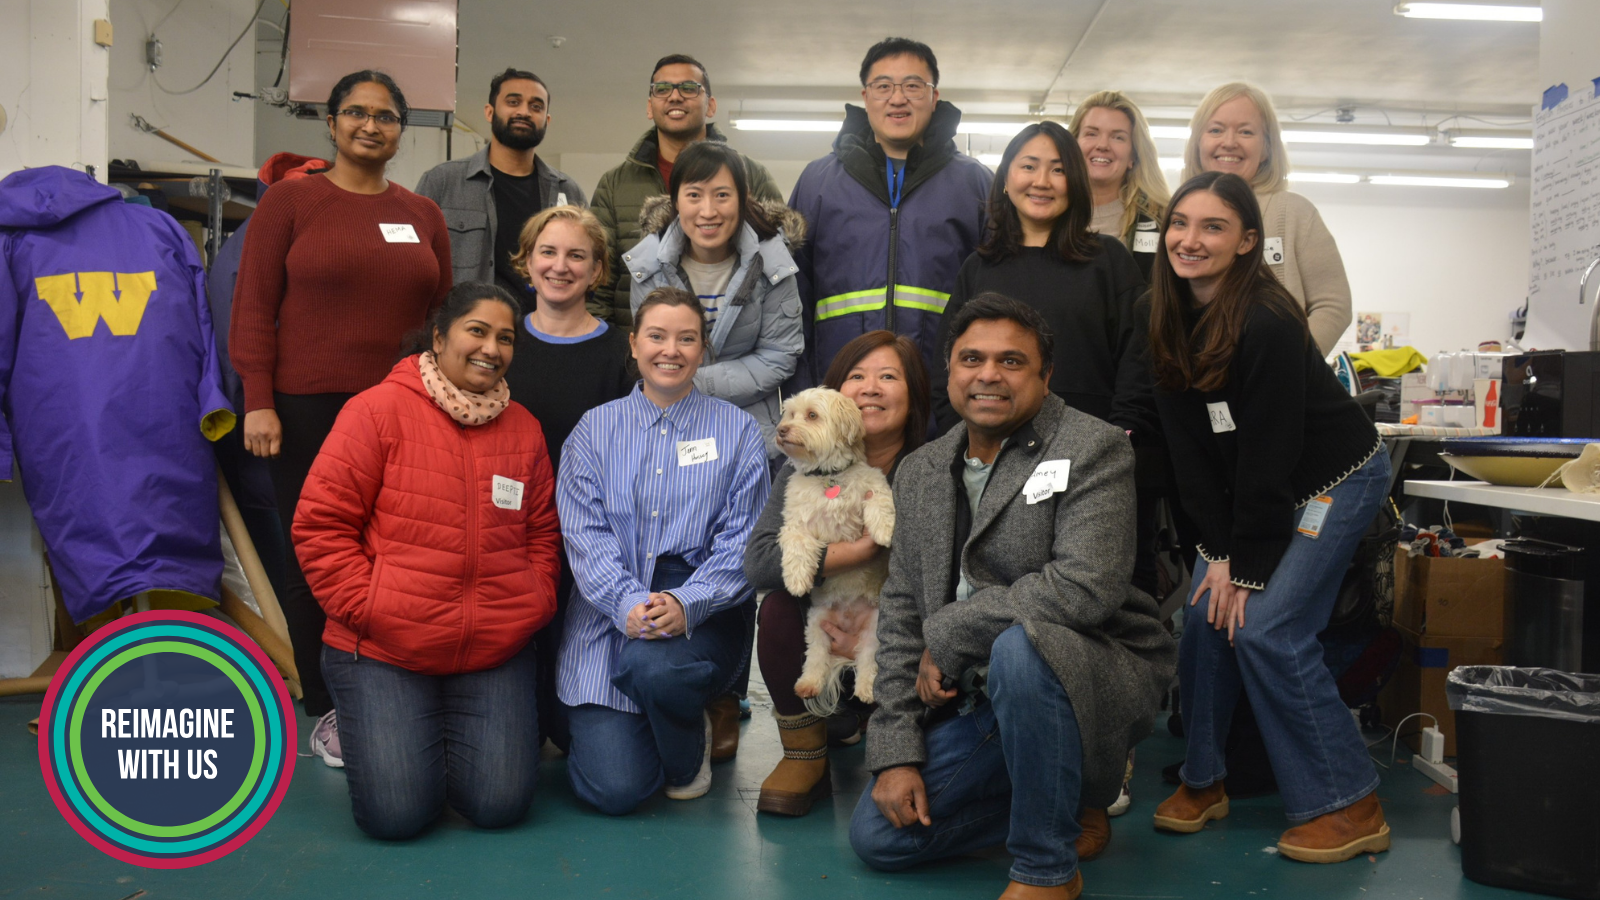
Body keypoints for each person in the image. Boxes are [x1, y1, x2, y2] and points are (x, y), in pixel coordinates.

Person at [849, 294, 1175, 900]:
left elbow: (1085, 585)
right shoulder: (922, 469)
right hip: (974, 703)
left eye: (1012, 361)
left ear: (1045, 377)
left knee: (1021, 650)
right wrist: (894, 751)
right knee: (882, 839)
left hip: (1084, 673)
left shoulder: (1094, 447)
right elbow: (900, 611)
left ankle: (1045, 870)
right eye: (971, 358)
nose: (989, 375)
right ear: (949, 370)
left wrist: (950, 633)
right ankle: (1068, 797)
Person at [1146, 171, 1390, 863]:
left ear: (1248, 242)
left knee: (1267, 629)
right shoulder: (1160, 312)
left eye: (1213, 227)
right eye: (1181, 223)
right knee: (1201, 613)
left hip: (1331, 479)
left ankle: (1353, 803)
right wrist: (1215, 556)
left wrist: (1246, 568)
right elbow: (1190, 450)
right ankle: (1205, 779)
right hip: (1249, 489)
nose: (1190, 240)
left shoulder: (1270, 321)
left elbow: (1270, 452)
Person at [231, 70, 450, 765]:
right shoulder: (291, 202)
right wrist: (258, 399)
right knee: (317, 556)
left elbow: (441, 317)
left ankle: (397, 685)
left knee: (401, 549)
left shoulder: (421, 214)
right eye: (355, 112)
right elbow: (252, 308)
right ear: (331, 124)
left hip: (403, 406)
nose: (370, 125)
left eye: (386, 116)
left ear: (399, 130)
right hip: (306, 407)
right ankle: (328, 706)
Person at [293, 282, 561, 840]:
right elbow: (320, 526)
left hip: (493, 646)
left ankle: (423, 736)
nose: (492, 348)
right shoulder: (375, 411)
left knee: (500, 806)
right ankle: (357, 724)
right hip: (385, 645)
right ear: (439, 337)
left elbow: (541, 532)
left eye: (506, 338)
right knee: (397, 816)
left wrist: (532, 598)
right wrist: (370, 606)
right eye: (477, 331)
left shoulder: (524, 429)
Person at [556, 287, 770, 815]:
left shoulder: (738, 431)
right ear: (633, 344)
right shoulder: (593, 430)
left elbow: (741, 539)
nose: (669, 350)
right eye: (656, 336)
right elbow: (584, 537)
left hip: (706, 612)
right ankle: (664, 716)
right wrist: (627, 603)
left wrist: (687, 603)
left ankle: (684, 746)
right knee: (616, 790)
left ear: (703, 350)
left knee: (657, 672)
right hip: (608, 610)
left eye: (686, 338)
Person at [744, 330, 931, 817]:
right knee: (781, 607)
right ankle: (805, 753)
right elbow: (760, 562)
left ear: (913, 395)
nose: (869, 388)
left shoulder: (932, 468)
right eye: (856, 376)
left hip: (900, 633)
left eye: (887, 377)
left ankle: (886, 736)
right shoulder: (802, 467)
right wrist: (858, 550)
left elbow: (938, 574)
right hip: (827, 624)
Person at [502, 204, 634, 752]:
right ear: (526, 262)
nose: (561, 266)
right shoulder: (499, 342)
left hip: (591, 541)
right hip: (506, 533)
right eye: (548, 252)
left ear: (598, 271)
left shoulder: (621, 352)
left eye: (577, 255)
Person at [788, 37, 991, 390]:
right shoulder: (817, 181)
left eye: (913, 85)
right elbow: (791, 291)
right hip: (839, 388)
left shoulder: (975, 184)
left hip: (940, 392)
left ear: (934, 97)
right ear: (865, 98)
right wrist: (804, 387)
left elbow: (995, 294)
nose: (898, 98)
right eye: (883, 86)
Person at [625, 140, 805, 456]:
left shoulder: (773, 265)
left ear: (742, 199)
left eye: (722, 195)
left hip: (747, 432)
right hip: (666, 424)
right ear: (676, 201)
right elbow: (649, 350)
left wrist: (697, 384)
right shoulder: (648, 267)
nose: (708, 211)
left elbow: (779, 355)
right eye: (694, 195)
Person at [590, 54, 782, 325]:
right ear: (650, 106)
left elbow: (778, 271)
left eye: (689, 88)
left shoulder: (752, 176)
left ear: (711, 105)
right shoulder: (615, 185)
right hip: (637, 354)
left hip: (735, 353)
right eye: (662, 89)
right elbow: (597, 280)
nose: (675, 96)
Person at [1182, 82, 1351, 354]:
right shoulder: (1175, 213)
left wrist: (1291, 364)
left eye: (1246, 132)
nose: (1229, 142)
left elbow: (1334, 306)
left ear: (1267, 148)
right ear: (1198, 142)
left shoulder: (1295, 212)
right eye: (1215, 130)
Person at [416, 68, 587, 308]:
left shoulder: (568, 191)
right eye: (513, 102)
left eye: (536, 106)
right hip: (466, 334)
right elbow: (415, 267)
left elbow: (586, 269)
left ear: (547, 120)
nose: (524, 112)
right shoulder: (442, 182)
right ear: (490, 111)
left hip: (544, 332)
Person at [1068, 90, 1170, 279]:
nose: (1103, 145)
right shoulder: (1047, 212)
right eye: (1091, 133)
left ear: (1133, 155)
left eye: (1118, 137)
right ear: (1072, 145)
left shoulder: (1162, 220)